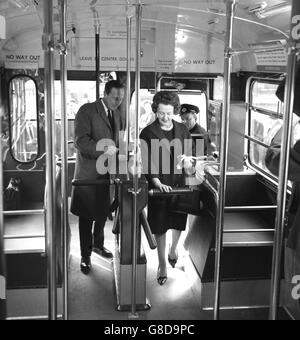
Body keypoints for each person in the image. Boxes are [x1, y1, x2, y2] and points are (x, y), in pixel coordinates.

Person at [71, 80, 125, 274]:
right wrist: (104, 148)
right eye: (114, 97)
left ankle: (98, 245)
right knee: (86, 216)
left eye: (121, 97)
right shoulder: (87, 111)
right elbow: (81, 141)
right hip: (89, 174)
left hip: (107, 173)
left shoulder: (117, 114)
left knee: (102, 212)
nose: (118, 101)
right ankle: (85, 256)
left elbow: (119, 140)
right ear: (105, 93)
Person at [140, 91, 193, 285]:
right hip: (159, 185)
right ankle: (162, 264)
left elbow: (189, 154)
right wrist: (155, 181)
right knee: (160, 225)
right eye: (161, 113)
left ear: (175, 111)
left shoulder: (183, 129)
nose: (165, 117)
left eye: (169, 113)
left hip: (180, 183)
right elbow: (146, 161)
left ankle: (174, 249)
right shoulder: (147, 132)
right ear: (155, 110)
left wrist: (188, 162)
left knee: (178, 221)